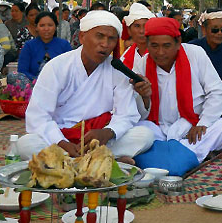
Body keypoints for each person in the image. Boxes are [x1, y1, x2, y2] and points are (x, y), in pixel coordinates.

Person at [17, 10, 155, 160]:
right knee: (26, 144)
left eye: (111, 39)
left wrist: (107, 132)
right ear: (82, 37)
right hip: (60, 138)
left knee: (145, 135)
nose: (105, 44)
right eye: (100, 36)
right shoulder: (57, 66)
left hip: (99, 139)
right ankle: (97, 159)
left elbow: (126, 115)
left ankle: (69, 163)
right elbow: (38, 116)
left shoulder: (118, 70)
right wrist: (63, 143)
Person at [132, 17, 222, 163]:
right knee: (135, 130)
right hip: (158, 128)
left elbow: (216, 92)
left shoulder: (195, 54)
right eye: (154, 46)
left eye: (166, 45)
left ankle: (168, 154)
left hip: (191, 126)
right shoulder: (142, 63)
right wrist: (144, 97)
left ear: (178, 43)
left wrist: (204, 123)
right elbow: (138, 112)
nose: (161, 52)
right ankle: (187, 153)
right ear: (148, 44)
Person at [17, 12, 72, 80]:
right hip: (34, 85)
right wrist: (37, 81)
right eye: (42, 25)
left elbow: (70, 70)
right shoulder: (29, 46)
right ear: (36, 27)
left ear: (55, 27)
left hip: (60, 84)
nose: (46, 29)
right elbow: (22, 71)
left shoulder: (64, 45)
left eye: (50, 25)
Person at [121, 3, 155, 70]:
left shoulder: (161, 53)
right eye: (137, 26)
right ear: (129, 31)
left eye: (145, 26)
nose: (142, 31)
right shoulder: (125, 57)